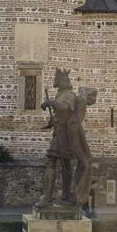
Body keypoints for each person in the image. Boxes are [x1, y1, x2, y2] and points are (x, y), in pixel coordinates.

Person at [35, 70, 98, 209]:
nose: (54, 81)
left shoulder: (68, 94)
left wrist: (50, 102)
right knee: (65, 166)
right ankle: (65, 195)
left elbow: (64, 107)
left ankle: (48, 196)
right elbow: (62, 114)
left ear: (62, 80)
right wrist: (52, 121)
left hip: (63, 135)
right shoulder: (62, 94)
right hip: (60, 133)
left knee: (52, 163)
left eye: (56, 78)